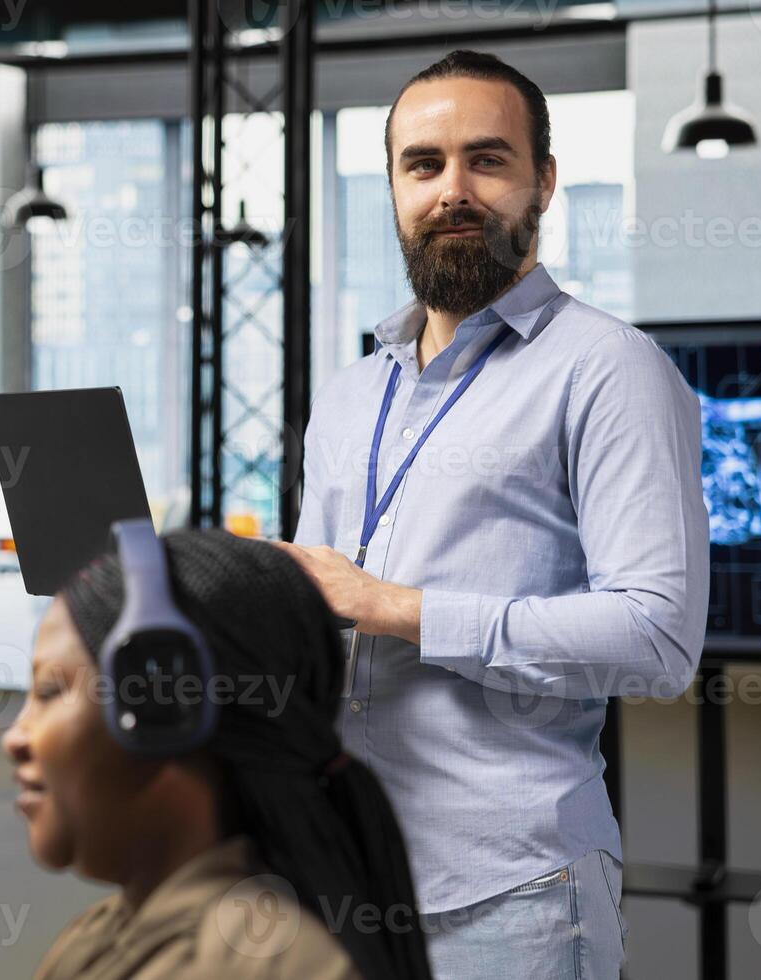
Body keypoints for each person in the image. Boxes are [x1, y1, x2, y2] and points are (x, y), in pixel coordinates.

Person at [276, 49, 709, 979]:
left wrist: (397, 607)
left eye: (489, 159)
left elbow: (660, 637)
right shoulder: (352, 395)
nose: (452, 191)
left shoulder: (610, 369)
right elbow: (326, 624)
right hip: (345, 883)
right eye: (422, 165)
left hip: (512, 899)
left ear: (543, 181)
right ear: (392, 187)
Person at [3, 528, 433, 980]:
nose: (15, 737)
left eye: (49, 691)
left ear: (163, 715)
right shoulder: (102, 936)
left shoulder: (273, 966)